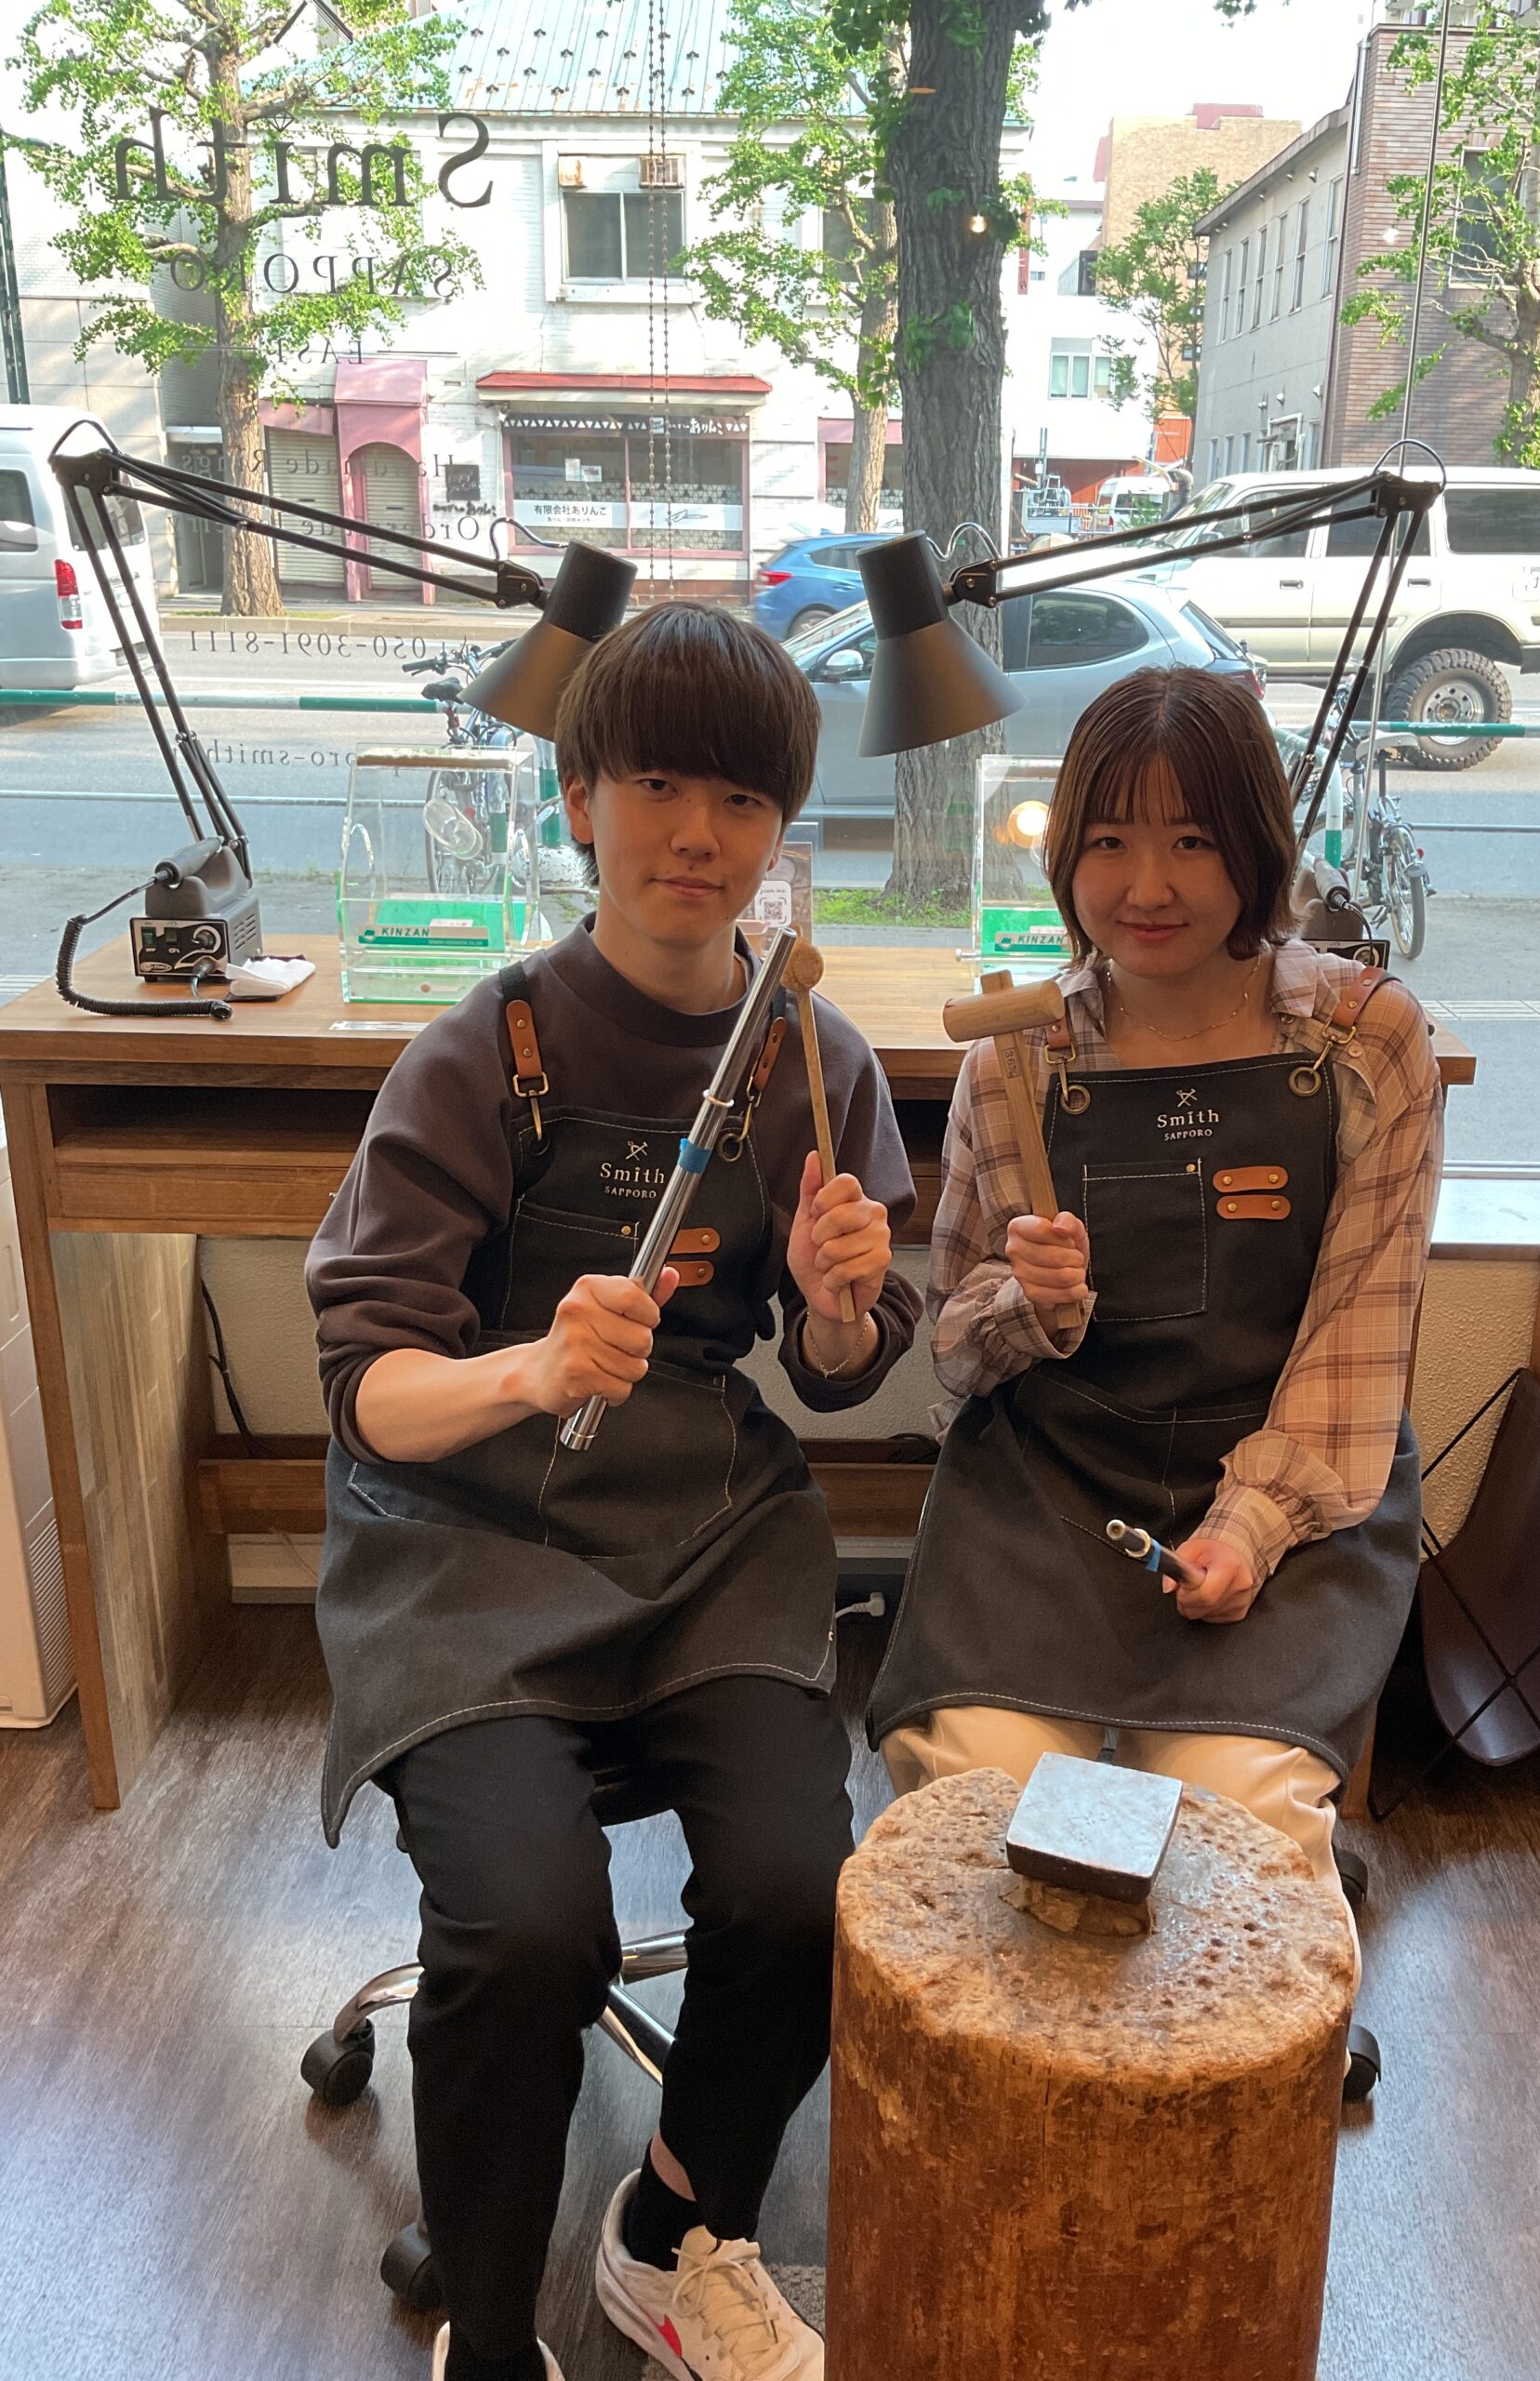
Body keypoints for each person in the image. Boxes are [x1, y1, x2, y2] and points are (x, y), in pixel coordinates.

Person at [307, 605, 920, 2381]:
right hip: (464, 1550)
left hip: (706, 1539)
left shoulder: (814, 1059)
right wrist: (526, 1368)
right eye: (655, 785)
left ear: (779, 828)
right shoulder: (483, 1050)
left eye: (740, 800)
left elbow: (841, 1369)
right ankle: (493, 2326)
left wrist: (836, 1309)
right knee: (527, 1930)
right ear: (579, 800)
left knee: (805, 1894)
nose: (695, 836)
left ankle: (670, 2231)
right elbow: (368, 1390)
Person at [869, 667, 1442, 2059]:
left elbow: (1356, 1338)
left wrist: (1249, 1526)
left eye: (1192, 839)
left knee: (1233, 1813)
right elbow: (956, 1346)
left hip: (1286, 1486)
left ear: (1256, 848)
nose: (1149, 884)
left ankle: (1226, 2101)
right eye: (1111, 841)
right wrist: (1028, 1306)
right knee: (981, 1805)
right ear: (1065, 855)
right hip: (1051, 1484)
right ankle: (1021, 2103)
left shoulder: (1365, 1043)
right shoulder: (1020, 1057)